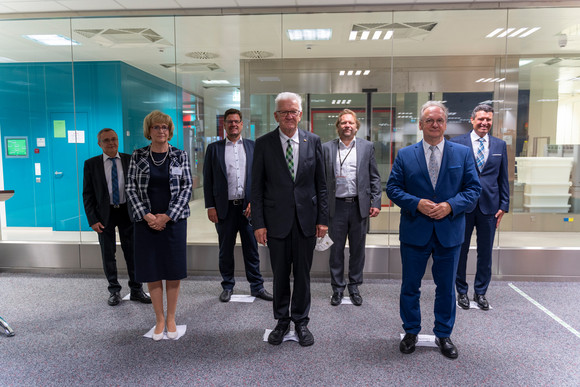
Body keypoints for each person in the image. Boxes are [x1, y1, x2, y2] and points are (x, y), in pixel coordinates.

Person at [386, 101, 481, 359]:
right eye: (429, 120)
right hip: (415, 231)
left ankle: (443, 334)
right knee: (410, 286)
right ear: (420, 125)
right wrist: (416, 203)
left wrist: (450, 206)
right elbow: (393, 189)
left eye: (439, 120)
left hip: (449, 232)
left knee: (446, 288)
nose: (435, 125)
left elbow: (473, 190)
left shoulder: (461, 154)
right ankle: (411, 331)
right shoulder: (405, 155)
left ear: (445, 124)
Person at [251, 92, 328, 347]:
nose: (289, 116)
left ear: (300, 114)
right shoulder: (263, 144)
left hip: (306, 220)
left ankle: (301, 321)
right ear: (276, 116)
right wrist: (259, 224)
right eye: (284, 112)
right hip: (276, 222)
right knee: (281, 274)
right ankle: (282, 320)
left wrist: (323, 220)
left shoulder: (313, 141)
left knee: (303, 275)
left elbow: (322, 185)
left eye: (293, 111)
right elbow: (257, 188)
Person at [126, 110, 192, 341]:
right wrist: (147, 216)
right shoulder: (138, 156)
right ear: (149, 131)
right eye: (156, 127)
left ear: (170, 130)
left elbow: (187, 188)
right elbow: (131, 188)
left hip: (173, 222)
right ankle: (159, 319)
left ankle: (172, 317)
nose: (161, 131)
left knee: (172, 270)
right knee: (152, 270)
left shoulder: (180, 155)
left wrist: (167, 216)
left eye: (165, 127)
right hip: (146, 223)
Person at [203, 108, 273, 303]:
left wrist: (256, 203)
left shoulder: (253, 147)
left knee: (252, 249)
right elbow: (207, 180)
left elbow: (261, 179)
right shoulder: (213, 149)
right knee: (225, 250)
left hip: (248, 208)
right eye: (229, 122)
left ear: (242, 124)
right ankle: (227, 286)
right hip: (224, 209)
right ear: (224, 125)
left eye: (236, 121)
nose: (233, 124)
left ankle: (257, 287)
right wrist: (210, 206)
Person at [83, 128, 151, 306]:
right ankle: (114, 291)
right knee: (108, 254)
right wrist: (92, 219)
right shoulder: (91, 164)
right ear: (100, 144)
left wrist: (142, 212)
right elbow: (87, 194)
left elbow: (139, 189)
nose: (111, 143)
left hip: (127, 212)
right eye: (106, 140)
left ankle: (136, 289)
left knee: (133, 253)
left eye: (114, 139)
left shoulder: (130, 160)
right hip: (104, 215)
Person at [451, 104, 509, 310]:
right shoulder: (457, 143)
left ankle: (481, 292)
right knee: (461, 250)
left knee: (485, 253)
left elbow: (503, 178)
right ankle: (461, 291)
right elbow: (452, 176)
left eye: (488, 120)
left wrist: (504, 205)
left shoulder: (500, 145)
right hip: (463, 206)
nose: (485, 123)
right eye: (481, 119)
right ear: (472, 119)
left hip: (490, 208)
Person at [322, 109, 381, 306]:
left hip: (358, 207)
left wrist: (376, 201)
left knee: (358, 249)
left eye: (351, 123)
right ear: (337, 127)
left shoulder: (367, 147)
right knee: (336, 250)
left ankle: (354, 285)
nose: (347, 126)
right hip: (335, 207)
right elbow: (320, 181)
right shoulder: (326, 148)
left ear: (356, 127)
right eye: (343, 123)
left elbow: (374, 177)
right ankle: (337, 288)